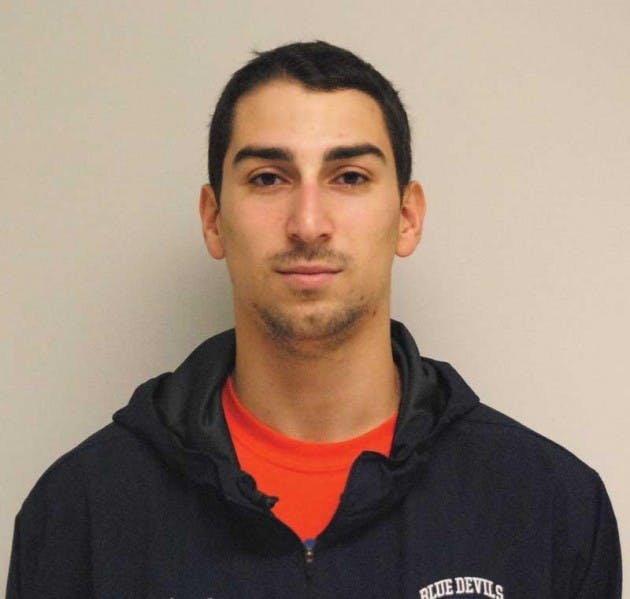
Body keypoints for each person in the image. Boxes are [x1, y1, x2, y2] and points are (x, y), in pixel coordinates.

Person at [7, 41, 621, 598]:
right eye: (268, 178)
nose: (307, 224)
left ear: (407, 218)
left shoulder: (550, 506)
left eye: (349, 177)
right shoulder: (80, 512)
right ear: (214, 219)